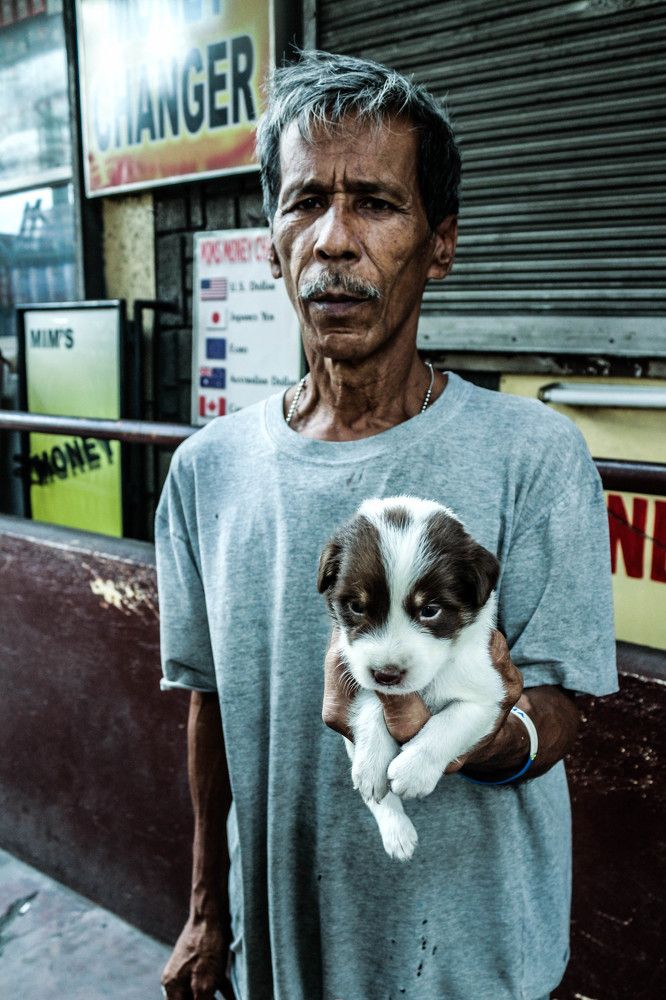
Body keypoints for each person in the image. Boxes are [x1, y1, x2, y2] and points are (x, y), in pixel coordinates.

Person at [155, 50, 617, 1000]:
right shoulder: (206, 470)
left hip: (474, 966)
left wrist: (466, 734)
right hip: (281, 952)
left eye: (375, 203)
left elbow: (561, 708)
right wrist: (206, 912)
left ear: (440, 244)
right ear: (272, 239)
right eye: (304, 203)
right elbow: (210, 702)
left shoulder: (534, 453)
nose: (333, 240)